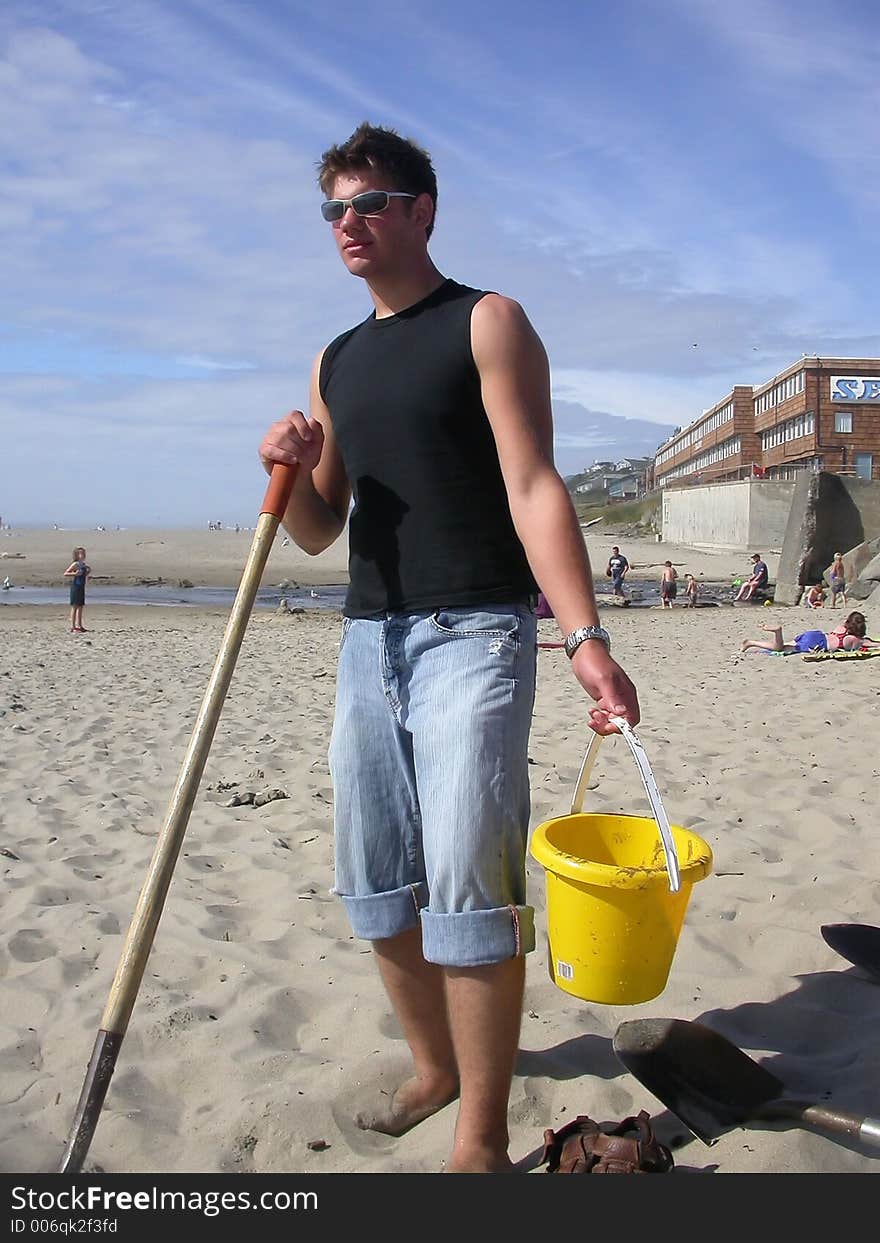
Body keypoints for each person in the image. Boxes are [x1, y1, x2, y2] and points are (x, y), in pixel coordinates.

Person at [257, 122, 640, 1174]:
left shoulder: (488, 321)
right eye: (333, 208)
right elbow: (319, 527)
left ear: (421, 210)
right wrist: (285, 470)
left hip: (474, 628)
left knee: (468, 877)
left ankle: (479, 1131)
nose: (348, 223)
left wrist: (585, 637)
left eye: (368, 202)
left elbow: (533, 484)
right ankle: (434, 1067)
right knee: (376, 878)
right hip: (366, 639)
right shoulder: (337, 359)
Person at [741, 611, 877, 655]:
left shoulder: (841, 627)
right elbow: (873, 645)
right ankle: (777, 632)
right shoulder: (855, 640)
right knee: (780, 648)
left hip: (816, 635)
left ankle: (751, 643)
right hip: (817, 644)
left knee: (786, 645)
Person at [63, 547, 91, 632]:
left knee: (80, 606)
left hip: (81, 586)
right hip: (76, 586)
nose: (82, 555)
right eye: (80, 554)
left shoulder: (83, 564)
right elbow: (66, 573)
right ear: (76, 555)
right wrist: (75, 573)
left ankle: (80, 625)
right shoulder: (75, 564)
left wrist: (87, 573)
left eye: (83, 554)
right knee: (75, 606)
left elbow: (83, 574)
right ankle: (73, 626)